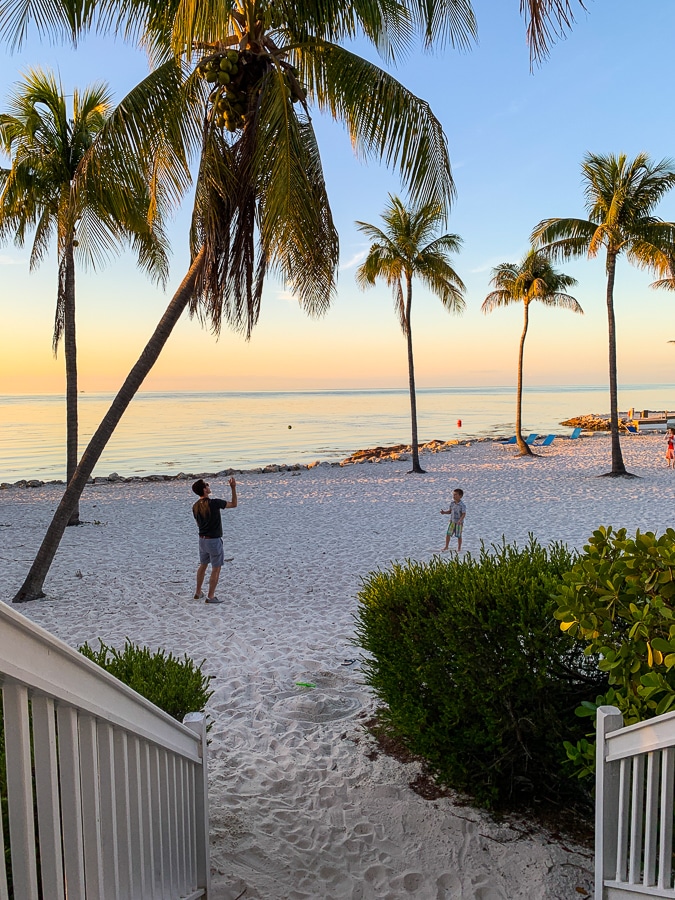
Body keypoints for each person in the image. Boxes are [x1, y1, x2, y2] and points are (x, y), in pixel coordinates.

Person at [192, 477, 237, 604]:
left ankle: (198, 592)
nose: (208, 486)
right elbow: (234, 504)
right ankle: (211, 596)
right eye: (207, 485)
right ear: (204, 490)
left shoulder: (195, 506)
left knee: (203, 565)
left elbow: (197, 523)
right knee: (216, 568)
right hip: (213, 540)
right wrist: (233, 488)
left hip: (202, 540)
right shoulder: (214, 503)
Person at [441, 488, 466, 552]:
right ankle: (446, 546)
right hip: (452, 521)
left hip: (459, 523)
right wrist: (444, 512)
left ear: (460, 496)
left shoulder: (462, 505)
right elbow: (450, 511)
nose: (454, 496)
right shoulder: (452, 503)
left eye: (456, 495)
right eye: (453, 495)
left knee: (459, 535)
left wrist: (460, 520)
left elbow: (463, 514)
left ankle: (459, 548)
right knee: (448, 534)